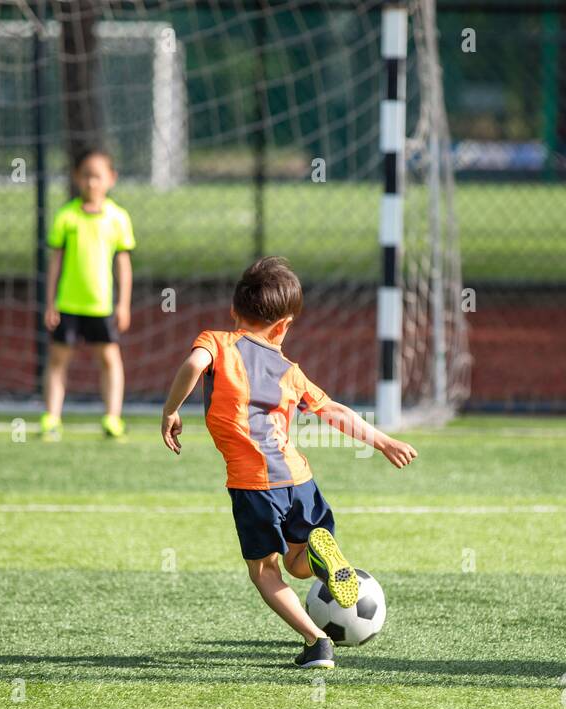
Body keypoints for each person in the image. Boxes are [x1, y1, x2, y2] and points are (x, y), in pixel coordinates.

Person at [160, 256, 418, 668]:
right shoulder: (289, 371)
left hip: (253, 486)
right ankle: (323, 556)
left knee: (264, 571)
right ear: (282, 327)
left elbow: (193, 364)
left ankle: (316, 642)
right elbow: (334, 411)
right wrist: (382, 441)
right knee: (300, 565)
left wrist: (171, 410)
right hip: (299, 479)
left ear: (234, 311)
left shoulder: (218, 342)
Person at [41, 149, 135, 440]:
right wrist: (51, 302)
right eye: (86, 176)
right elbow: (55, 262)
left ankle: (112, 418)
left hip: (101, 307)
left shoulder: (118, 218)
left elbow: (123, 265)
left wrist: (123, 304)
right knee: (58, 361)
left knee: (109, 360)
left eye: (97, 176)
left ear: (110, 179)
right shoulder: (66, 217)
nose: (91, 182)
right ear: (77, 178)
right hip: (68, 304)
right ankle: (52, 418)